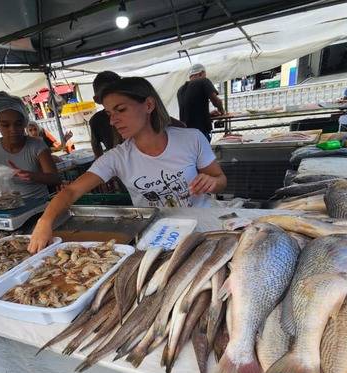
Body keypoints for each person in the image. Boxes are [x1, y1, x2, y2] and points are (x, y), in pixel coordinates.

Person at [29, 77, 227, 253]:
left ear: (149, 105)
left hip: (201, 227)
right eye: (109, 114)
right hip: (156, 235)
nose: (113, 121)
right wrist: (45, 221)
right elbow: (71, 192)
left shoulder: (191, 138)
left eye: (121, 110)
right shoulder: (117, 157)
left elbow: (221, 180)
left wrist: (212, 181)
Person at [176, 63, 225, 142]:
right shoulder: (203, 81)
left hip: (186, 133)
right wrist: (222, 111)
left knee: (192, 154)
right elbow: (216, 101)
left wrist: (208, 114)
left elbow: (189, 111)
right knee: (203, 153)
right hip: (200, 132)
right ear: (201, 73)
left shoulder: (180, 90)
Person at [89, 71, 123, 158]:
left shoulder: (133, 112)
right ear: (97, 99)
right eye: (105, 94)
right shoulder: (97, 120)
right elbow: (95, 145)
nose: (113, 121)